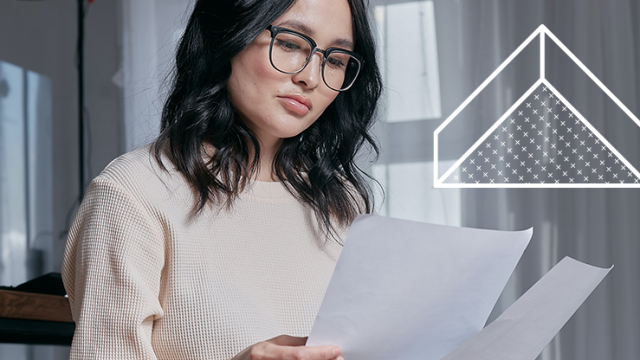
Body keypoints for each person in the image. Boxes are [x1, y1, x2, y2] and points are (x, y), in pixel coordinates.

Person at [62, 0, 382, 359]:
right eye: (291, 43)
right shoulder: (133, 193)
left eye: (336, 60)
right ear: (227, 35)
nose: (310, 76)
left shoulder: (344, 201)